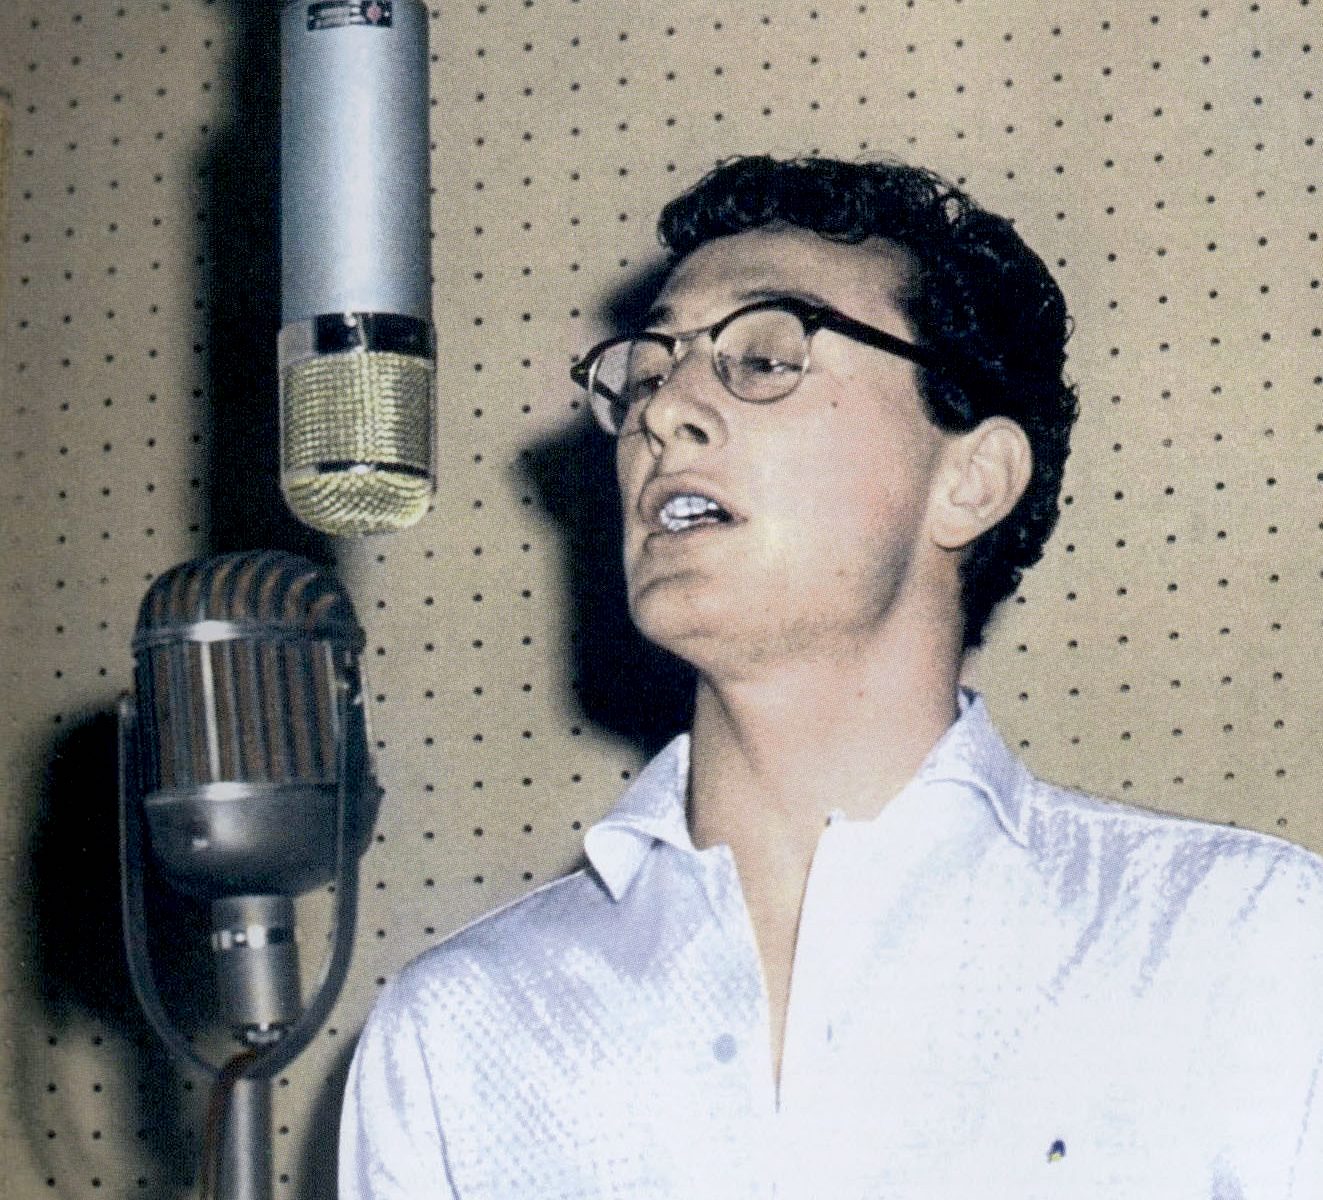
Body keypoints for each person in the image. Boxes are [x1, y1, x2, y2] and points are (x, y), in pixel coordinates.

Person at [339, 156, 1323, 1199]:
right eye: (650, 371)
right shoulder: (458, 1035)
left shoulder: (1245, 947)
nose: (663, 413)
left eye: (764, 358)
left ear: (972, 480)